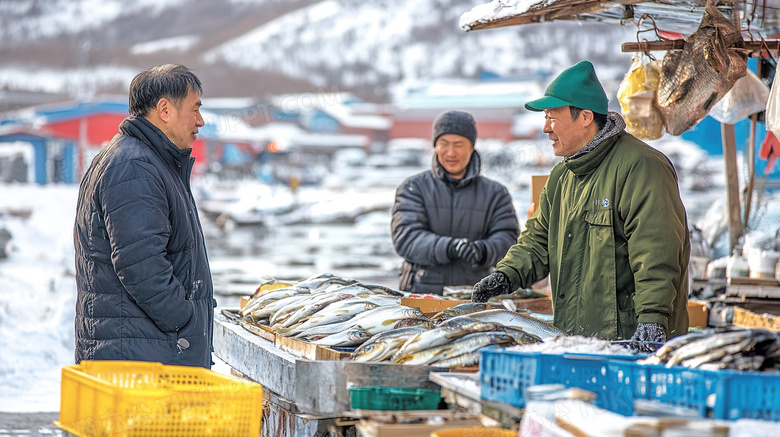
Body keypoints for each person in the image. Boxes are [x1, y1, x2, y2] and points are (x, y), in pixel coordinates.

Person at [472, 61, 690, 347]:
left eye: (552, 117)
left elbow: (656, 253)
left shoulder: (641, 166)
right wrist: (506, 275)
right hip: (575, 339)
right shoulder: (562, 177)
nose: (546, 128)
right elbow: (538, 242)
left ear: (585, 117)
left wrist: (652, 318)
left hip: (629, 341)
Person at [73, 64, 213, 367]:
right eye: (195, 109)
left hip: (141, 351)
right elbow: (141, 266)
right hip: (142, 360)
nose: (200, 121)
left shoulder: (145, 160)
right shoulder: (135, 166)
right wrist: (186, 319)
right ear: (164, 109)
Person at [391, 110, 520, 295]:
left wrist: (483, 250)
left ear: (471, 147)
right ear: (435, 146)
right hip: (421, 293)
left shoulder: (495, 194)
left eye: (459, 145)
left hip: (474, 295)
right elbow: (407, 238)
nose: (451, 152)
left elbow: (509, 240)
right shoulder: (413, 188)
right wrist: (451, 247)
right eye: (444, 144)